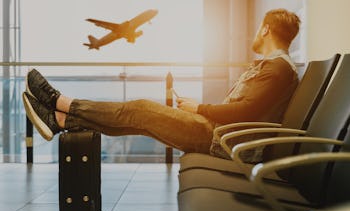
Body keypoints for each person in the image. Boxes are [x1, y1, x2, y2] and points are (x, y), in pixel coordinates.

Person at [23, 8, 300, 162]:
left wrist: (199, 108)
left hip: (222, 140)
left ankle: (59, 102)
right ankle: (60, 120)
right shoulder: (274, 67)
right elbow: (246, 110)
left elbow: (246, 111)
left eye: (257, 28)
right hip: (220, 135)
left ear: (265, 29)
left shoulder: (277, 68)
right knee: (140, 120)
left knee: (140, 109)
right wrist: (199, 109)